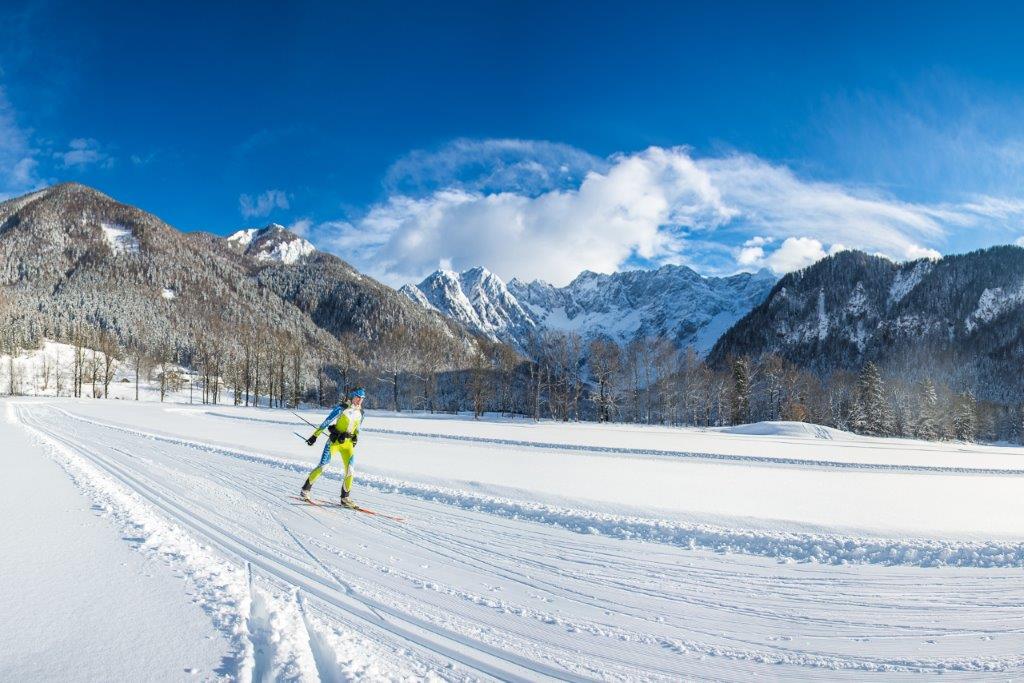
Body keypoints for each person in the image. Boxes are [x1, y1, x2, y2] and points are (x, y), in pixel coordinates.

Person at [300, 387, 365, 506]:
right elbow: (327, 421)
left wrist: (355, 437)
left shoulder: (361, 413)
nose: (360, 400)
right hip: (334, 443)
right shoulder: (342, 408)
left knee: (350, 470)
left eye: (362, 398)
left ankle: (345, 498)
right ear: (353, 396)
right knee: (323, 466)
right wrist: (315, 436)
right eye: (358, 397)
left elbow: (357, 428)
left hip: (348, 445)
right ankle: (305, 490)